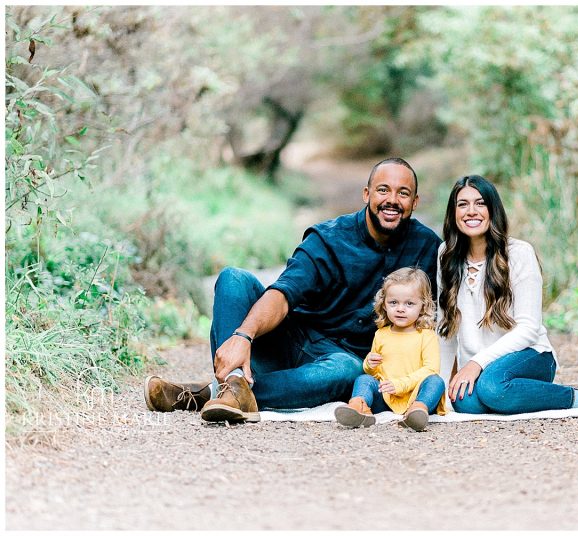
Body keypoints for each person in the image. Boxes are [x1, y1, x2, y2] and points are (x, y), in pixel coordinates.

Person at [144, 157, 442, 422]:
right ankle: (233, 383)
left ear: (415, 202)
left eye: (403, 193)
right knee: (233, 278)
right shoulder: (328, 238)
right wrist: (243, 335)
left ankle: (217, 393)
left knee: (350, 371)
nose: (392, 200)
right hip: (288, 340)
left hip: (338, 364)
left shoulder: (427, 247)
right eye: (383, 190)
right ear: (366, 194)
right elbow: (284, 294)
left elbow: (458, 294)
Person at [437, 175, 578, 414]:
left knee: (493, 388)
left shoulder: (519, 253)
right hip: (484, 369)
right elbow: (445, 328)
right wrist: (442, 389)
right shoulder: (446, 254)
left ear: (492, 210)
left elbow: (528, 328)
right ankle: (531, 393)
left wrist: (476, 363)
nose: (471, 211)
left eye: (480, 203)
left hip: (530, 356)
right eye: (462, 204)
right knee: (465, 402)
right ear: (453, 212)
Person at [334, 267, 447, 432]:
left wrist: (400, 384)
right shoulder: (381, 334)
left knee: (436, 381)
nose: (400, 309)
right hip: (386, 396)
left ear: (422, 306)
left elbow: (430, 369)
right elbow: (375, 374)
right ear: (384, 304)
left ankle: (417, 411)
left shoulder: (426, 335)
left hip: (415, 394)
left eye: (409, 303)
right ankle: (359, 407)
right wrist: (369, 365)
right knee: (363, 379)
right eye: (393, 302)